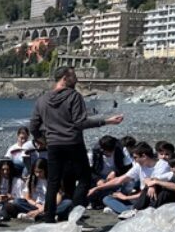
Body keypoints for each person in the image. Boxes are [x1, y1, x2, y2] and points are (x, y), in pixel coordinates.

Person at [29, 67, 123, 223]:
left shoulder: (42, 100)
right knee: (85, 179)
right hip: (73, 142)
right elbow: (80, 123)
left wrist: (41, 139)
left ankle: (49, 218)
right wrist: (106, 121)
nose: (77, 79)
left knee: (53, 181)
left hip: (53, 145)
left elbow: (33, 126)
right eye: (74, 76)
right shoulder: (74, 96)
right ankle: (75, 214)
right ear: (65, 78)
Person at [88, 142, 175, 216]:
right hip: (139, 197)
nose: (134, 160)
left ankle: (130, 212)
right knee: (107, 199)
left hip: (151, 198)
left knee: (138, 196)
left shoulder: (162, 165)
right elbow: (120, 179)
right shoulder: (139, 166)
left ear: (144, 156)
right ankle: (128, 210)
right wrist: (97, 188)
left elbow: (149, 190)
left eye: (135, 157)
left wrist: (126, 197)